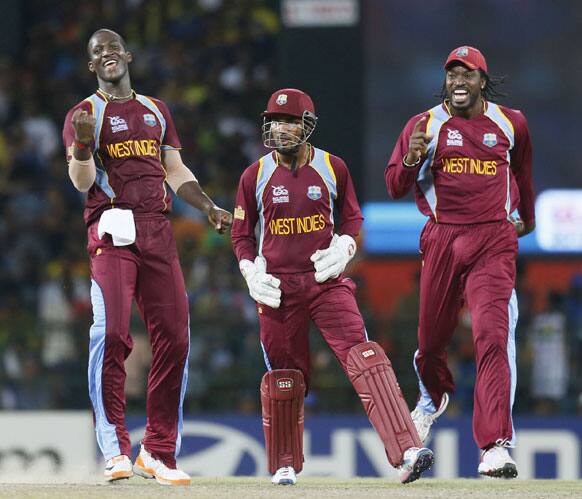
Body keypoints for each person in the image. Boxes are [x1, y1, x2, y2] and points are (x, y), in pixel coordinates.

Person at [231, 88, 434, 485]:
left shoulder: (332, 167)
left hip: (326, 280)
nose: (280, 128)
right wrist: (251, 272)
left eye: (289, 121)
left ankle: (407, 449)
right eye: (274, 120)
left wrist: (344, 246)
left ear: (307, 126)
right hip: (277, 288)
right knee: (285, 376)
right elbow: (241, 234)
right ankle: (284, 463)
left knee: (365, 357)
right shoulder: (253, 175)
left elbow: (353, 219)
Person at [62, 29, 232, 484]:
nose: (107, 53)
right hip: (112, 229)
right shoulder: (85, 113)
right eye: (97, 52)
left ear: (128, 55)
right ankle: (115, 448)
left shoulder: (157, 110)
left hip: (157, 230)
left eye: (113, 46)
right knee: (113, 334)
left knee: (176, 338)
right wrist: (81, 146)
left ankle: (156, 451)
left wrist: (208, 206)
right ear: (92, 66)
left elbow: (174, 170)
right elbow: (81, 182)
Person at [385, 46, 535, 478]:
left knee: (492, 337)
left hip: (494, 239)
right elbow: (394, 185)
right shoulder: (424, 125)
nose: (458, 82)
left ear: (482, 81)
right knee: (431, 342)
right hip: (443, 238)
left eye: (467, 75)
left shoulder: (512, 123)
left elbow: (522, 174)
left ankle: (495, 446)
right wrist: (413, 157)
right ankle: (433, 397)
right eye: (452, 75)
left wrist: (527, 217)